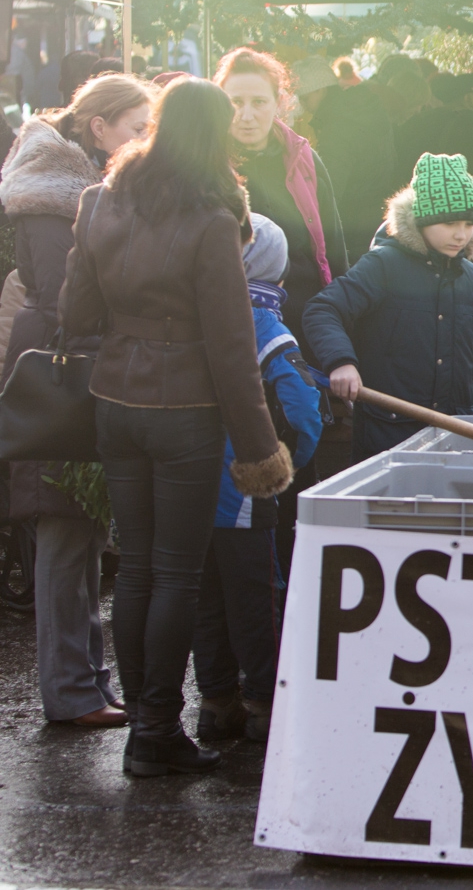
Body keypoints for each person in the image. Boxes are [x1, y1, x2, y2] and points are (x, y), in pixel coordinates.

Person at [60, 77, 294, 775]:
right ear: (213, 135)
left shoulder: (99, 199)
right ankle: (156, 731)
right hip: (186, 413)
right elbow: (230, 346)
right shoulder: (210, 217)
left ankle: (147, 722)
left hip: (115, 403)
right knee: (176, 575)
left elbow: (76, 314)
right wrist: (261, 451)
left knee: (133, 570)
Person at [0, 73, 151, 729]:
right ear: (99, 128)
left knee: (82, 533)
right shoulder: (55, 195)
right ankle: (70, 688)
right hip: (65, 369)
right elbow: (67, 295)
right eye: (136, 129)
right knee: (64, 531)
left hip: (78, 361)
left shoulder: (76, 185)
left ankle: (86, 678)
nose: (145, 141)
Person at [193, 215, 323, 746]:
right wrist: (283, 468)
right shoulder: (268, 326)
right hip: (246, 492)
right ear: (278, 272)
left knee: (207, 598)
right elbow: (302, 412)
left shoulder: (197, 317)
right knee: (258, 600)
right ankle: (265, 702)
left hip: (193, 486)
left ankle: (214, 702)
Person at [304, 153, 473, 462]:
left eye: (469, 224)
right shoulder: (383, 266)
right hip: (388, 436)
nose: (461, 234)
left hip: (457, 435)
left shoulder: (472, 279)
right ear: (421, 219)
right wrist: (340, 361)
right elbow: (323, 310)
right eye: (449, 223)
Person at [217, 48, 349, 352]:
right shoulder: (207, 163)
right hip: (234, 322)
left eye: (259, 102)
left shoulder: (303, 159)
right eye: (235, 102)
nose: (246, 115)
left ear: (279, 102)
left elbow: (334, 248)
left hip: (306, 318)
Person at [292, 56, 398, 252]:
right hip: (378, 211)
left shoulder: (337, 126)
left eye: (304, 97)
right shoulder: (365, 108)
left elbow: (330, 189)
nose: (302, 104)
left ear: (320, 89)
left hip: (352, 223)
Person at [395, 72, 473, 206]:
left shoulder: (425, 118)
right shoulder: (470, 124)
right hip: (454, 202)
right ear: (468, 98)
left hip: (415, 197)